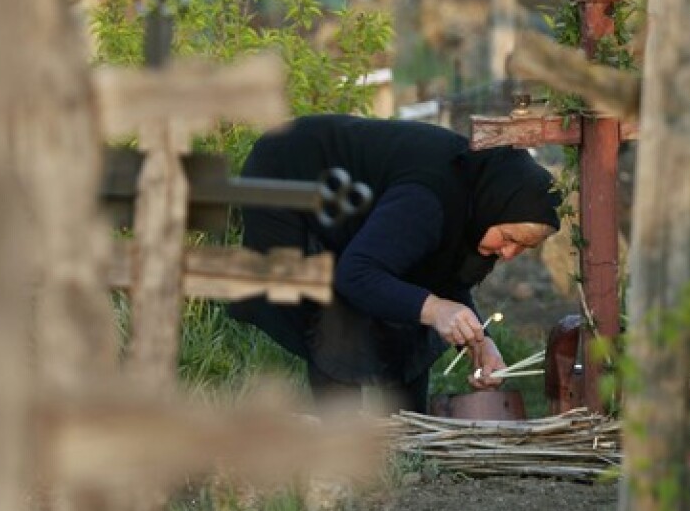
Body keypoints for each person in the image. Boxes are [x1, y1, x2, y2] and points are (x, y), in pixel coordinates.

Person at [227, 114, 561, 413]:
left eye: (523, 248)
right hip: (289, 178)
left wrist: (478, 340)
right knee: (338, 311)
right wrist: (435, 309)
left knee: (407, 299)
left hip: (358, 208)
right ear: (495, 206)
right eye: (508, 237)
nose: (508, 253)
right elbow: (356, 273)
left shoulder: (473, 193)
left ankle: (406, 433)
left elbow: (441, 272)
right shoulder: (427, 201)